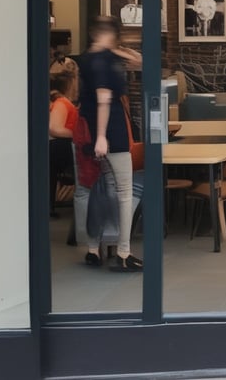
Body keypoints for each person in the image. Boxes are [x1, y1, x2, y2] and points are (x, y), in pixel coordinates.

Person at [77, 16, 143, 271]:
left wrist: (115, 48)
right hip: (111, 134)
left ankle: (93, 248)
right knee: (124, 193)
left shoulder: (88, 58)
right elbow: (104, 98)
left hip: (91, 133)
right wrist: (103, 137)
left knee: (100, 189)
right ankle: (124, 253)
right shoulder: (105, 61)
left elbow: (138, 60)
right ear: (114, 35)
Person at [49, 71, 79, 217]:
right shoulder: (62, 103)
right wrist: (78, 134)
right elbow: (55, 128)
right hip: (61, 147)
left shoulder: (64, 103)